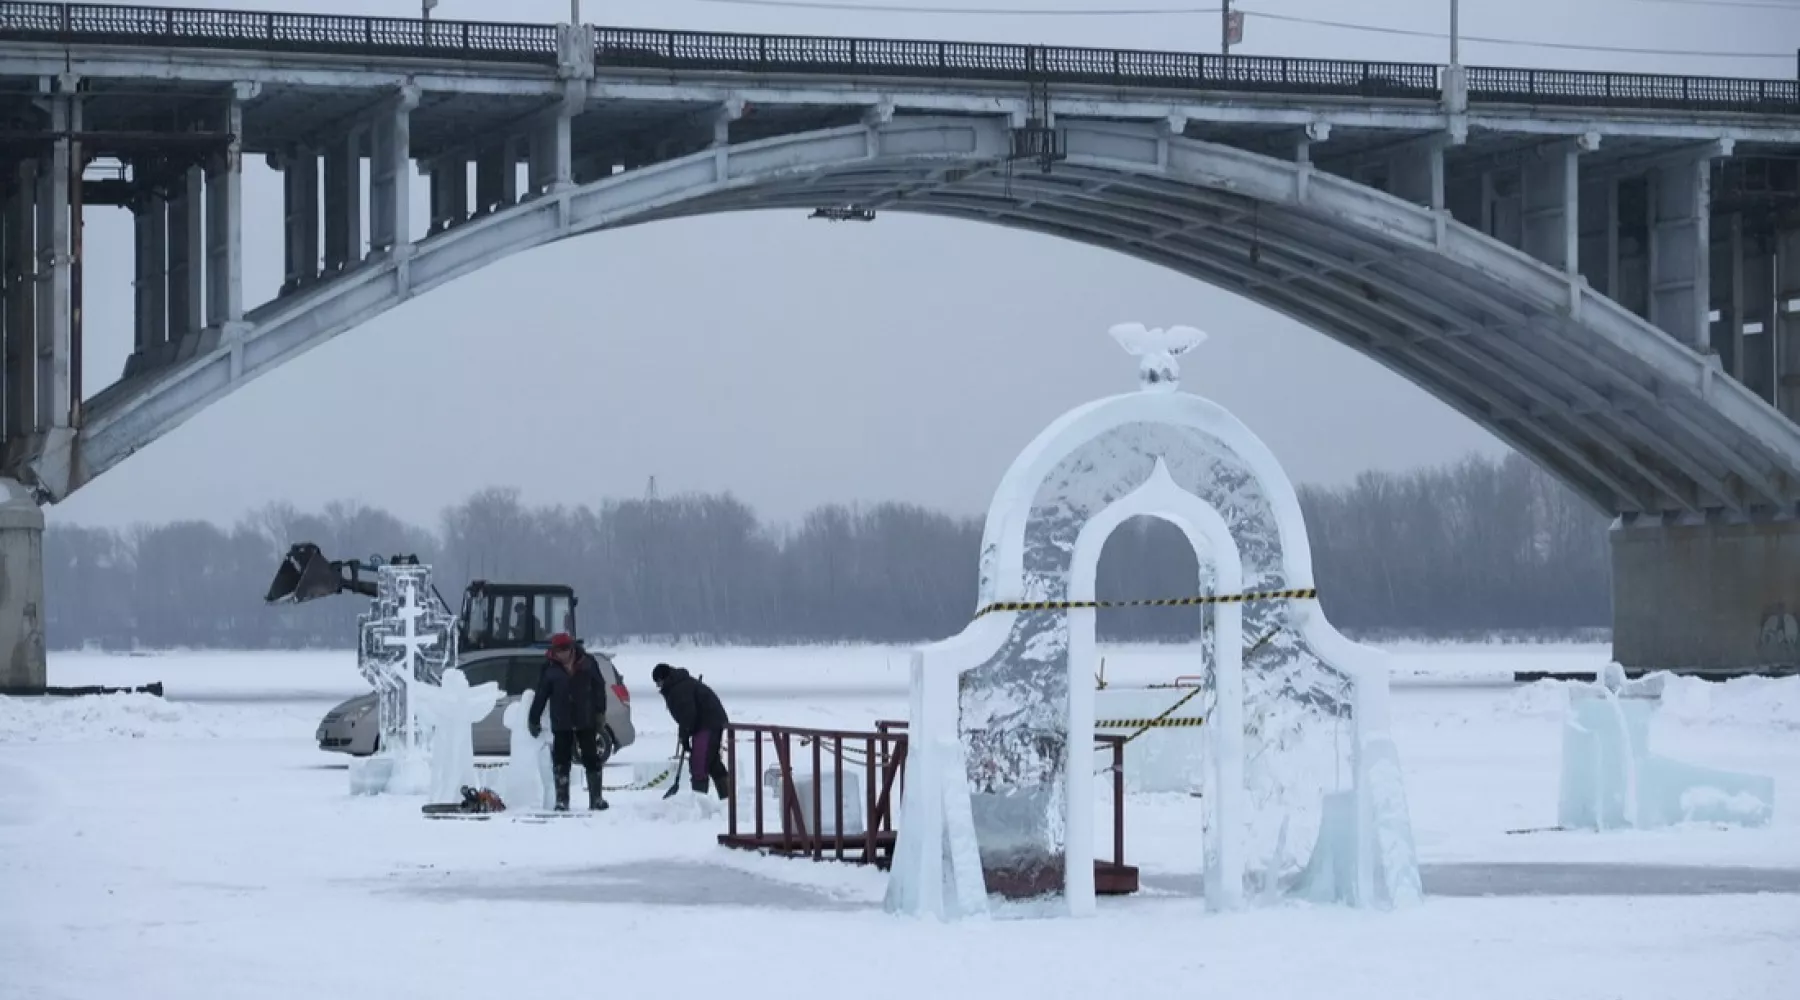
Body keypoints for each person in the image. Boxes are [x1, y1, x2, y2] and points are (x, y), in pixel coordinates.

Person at [528, 632, 610, 811]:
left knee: (591, 758)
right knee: (561, 760)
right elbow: (541, 694)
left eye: (566, 649)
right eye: (559, 650)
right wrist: (534, 718)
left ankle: (596, 798)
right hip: (561, 720)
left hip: (585, 719)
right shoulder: (549, 668)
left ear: (572, 648)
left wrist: (600, 713)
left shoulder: (587, 663)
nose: (562, 654)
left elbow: (599, 687)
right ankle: (562, 800)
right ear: (554, 651)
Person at [651, 663, 730, 799]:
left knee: (699, 762)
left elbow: (688, 715)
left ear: (664, 679)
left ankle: (700, 802)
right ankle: (728, 799)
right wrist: (685, 735)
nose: (659, 687)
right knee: (711, 761)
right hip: (707, 723)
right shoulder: (680, 684)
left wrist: (684, 735)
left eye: (658, 683)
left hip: (708, 723)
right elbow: (686, 716)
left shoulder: (679, 689)